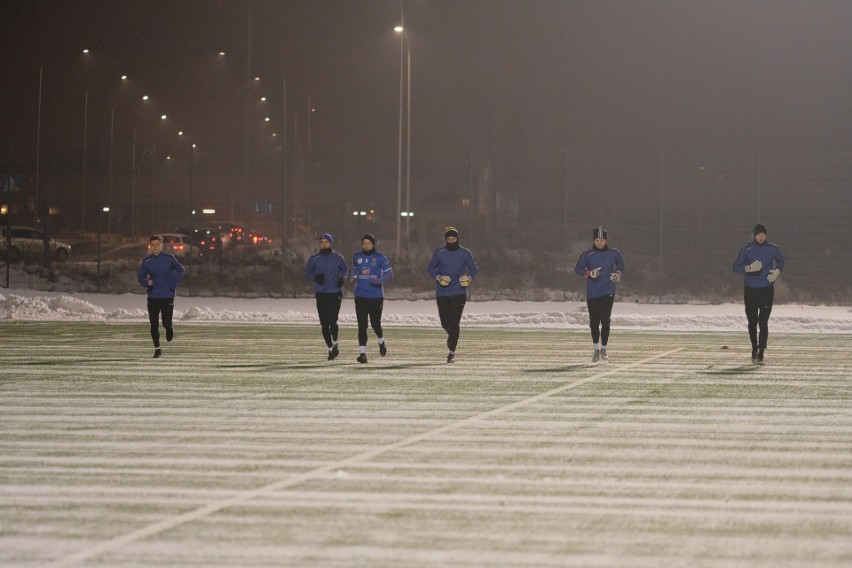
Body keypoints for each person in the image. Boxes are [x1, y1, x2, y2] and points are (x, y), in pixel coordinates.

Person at [732, 223, 785, 365]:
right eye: (758, 234)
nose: (761, 237)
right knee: (752, 322)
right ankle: (754, 349)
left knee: (763, 322)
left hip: (767, 290)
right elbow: (735, 267)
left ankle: (761, 353)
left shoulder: (772, 249)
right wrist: (748, 268)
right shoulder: (747, 249)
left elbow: (781, 261)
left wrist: (777, 272)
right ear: (754, 235)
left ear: (766, 236)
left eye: (763, 235)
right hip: (750, 290)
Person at [427, 226, 478, 363]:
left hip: (459, 292)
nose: (451, 241)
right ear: (445, 240)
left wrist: (469, 278)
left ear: (457, 239)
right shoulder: (439, 253)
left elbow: (473, 268)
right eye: (449, 239)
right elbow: (431, 268)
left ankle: (452, 352)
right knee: (445, 322)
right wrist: (438, 277)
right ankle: (453, 337)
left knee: (455, 322)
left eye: (453, 238)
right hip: (442, 292)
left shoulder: (465, 253)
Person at [574, 226, 624, 364]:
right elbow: (578, 269)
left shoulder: (614, 253)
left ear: (606, 240)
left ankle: (604, 349)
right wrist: (589, 273)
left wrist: (618, 274)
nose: (600, 242)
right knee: (594, 322)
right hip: (592, 293)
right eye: (597, 240)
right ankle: (596, 349)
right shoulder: (587, 254)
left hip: (608, 291)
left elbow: (621, 264)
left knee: (605, 320)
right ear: (594, 240)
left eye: (602, 240)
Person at [137, 234, 186, 358]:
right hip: (153, 297)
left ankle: (169, 327)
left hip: (167, 296)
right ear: (150, 246)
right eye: (152, 244)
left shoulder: (169, 258)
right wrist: (146, 282)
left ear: (161, 245)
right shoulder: (147, 261)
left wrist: (173, 284)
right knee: (154, 324)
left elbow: (181, 270)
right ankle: (157, 349)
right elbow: (141, 278)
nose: (155, 246)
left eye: (157, 244)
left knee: (165, 322)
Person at [305, 233, 349, 360]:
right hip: (321, 293)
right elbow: (307, 273)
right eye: (322, 242)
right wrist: (315, 277)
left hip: (335, 293)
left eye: (326, 242)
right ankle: (330, 349)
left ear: (331, 243)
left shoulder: (337, 258)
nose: (324, 244)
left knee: (332, 320)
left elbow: (345, 270)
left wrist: (342, 278)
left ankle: (335, 343)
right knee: (324, 323)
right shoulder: (314, 259)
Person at [351, 234, 393, 363]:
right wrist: (354, 276)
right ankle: (362, 354)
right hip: (360, 296)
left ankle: (381, 341)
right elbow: (355, 271)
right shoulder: (357, 257)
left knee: (375, 324)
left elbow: (390, 274)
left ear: (373, 244)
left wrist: (378, 280)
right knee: (362, 325)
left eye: (369, 243)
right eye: (364, 243)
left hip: (375, 297)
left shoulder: (380, 257)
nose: (366, 245)